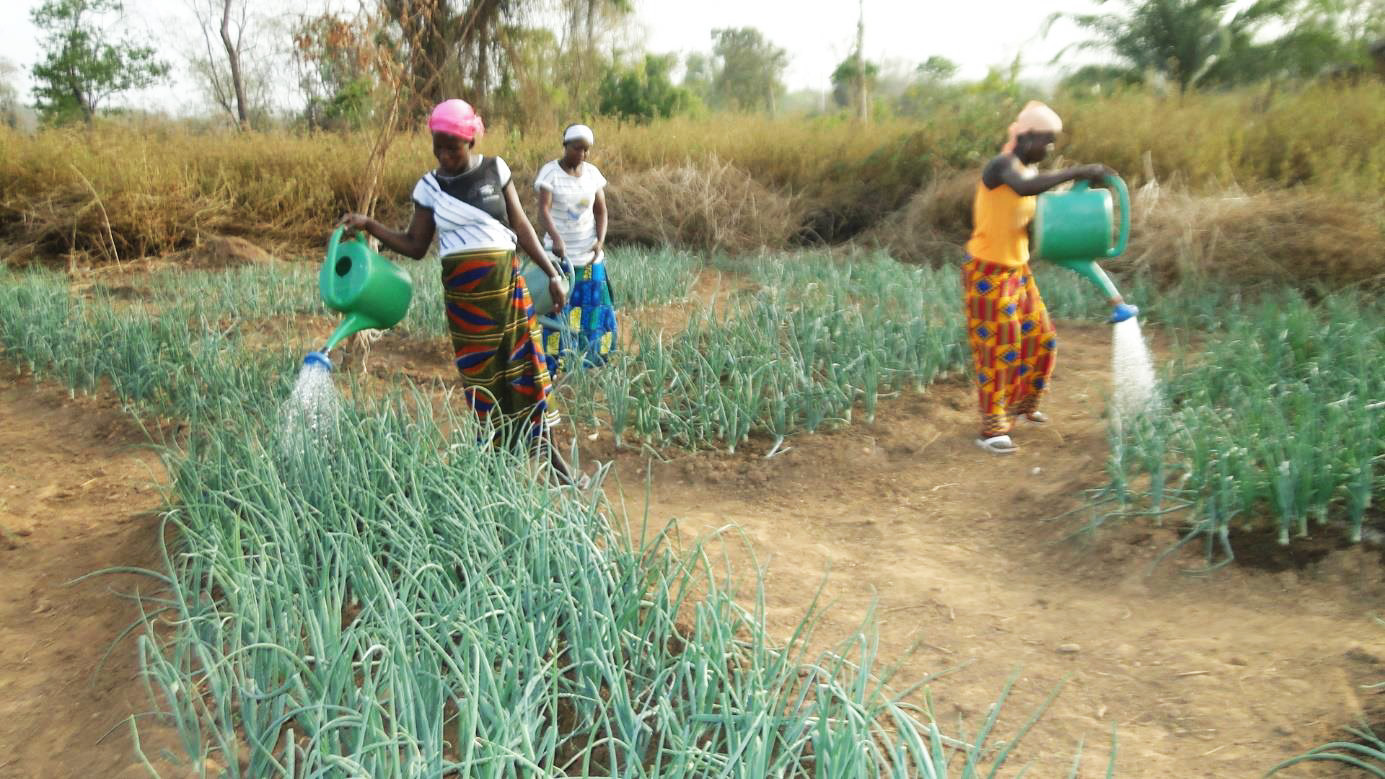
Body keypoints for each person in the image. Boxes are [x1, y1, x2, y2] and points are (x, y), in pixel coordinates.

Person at [337, 98, 571, 478]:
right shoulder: (429, 187)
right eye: (438, 146)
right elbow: (415, 245)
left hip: (509, 296)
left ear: (471, 141)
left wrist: (551, 273)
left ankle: (556, 468)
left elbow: (522, 226)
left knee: (527, 376)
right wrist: (370, 226)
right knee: (485, 386)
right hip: (468, 312)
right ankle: (497, 475)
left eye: (452, 146)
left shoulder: (496, 170)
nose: (444, 154)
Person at [963, 100, 1124, 455]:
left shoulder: (1029, 171)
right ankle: (992, 429)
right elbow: (1022, 189)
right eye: (1046, 141)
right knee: (998, 346)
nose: (1049, 149)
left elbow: (1038, 210)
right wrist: (1079, 171)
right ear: (1025, 135)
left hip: (1017, 269)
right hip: (987, 270)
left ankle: (1024, 405)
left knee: (1042, 337)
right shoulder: (1002, 166)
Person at [534, 123, 616, 376]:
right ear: (565, 145)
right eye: (576, 148)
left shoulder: (592, 174)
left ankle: (593, 360)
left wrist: (600, 240)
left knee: (593, 308)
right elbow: (543, 210)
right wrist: (556, 238)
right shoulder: (550, 173)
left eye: (586, 149)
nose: (581, 154)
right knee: (558, 311)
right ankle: (554, 365)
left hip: (589, 256)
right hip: (559, 258)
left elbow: (600, 210)